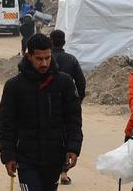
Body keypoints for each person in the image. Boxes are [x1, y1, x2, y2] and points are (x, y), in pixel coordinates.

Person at [0, 33, 83, 191]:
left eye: (47, 57)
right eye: (39, 59)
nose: (44, 63)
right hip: (26, 158)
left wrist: (73, 147)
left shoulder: (64, 83)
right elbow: (7, 124)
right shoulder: (14, 87)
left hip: (54, 157)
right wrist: (8, 155)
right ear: (28, 56)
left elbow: (73, 119)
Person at [49, 29, 86, 185]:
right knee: (67, 136)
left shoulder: (44, 59)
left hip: (47, 104)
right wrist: (78, 100)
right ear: (64, 42)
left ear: (50, 42)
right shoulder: (71, 60)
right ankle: (63, 172)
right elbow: (81, 82)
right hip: (67, 104)